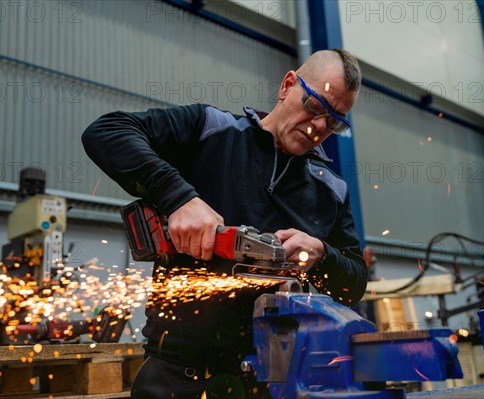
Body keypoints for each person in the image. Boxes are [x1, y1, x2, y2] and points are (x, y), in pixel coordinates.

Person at [82, 49, 368, 399]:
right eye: (314, 106)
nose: (320, 127)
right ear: (287, 85)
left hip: (270, 385)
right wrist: (179, 198)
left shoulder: (332, 190)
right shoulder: (211, 130)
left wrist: (322, 254)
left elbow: (353, 285)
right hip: (175, 379)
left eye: (335, 121)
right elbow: (106, 131)